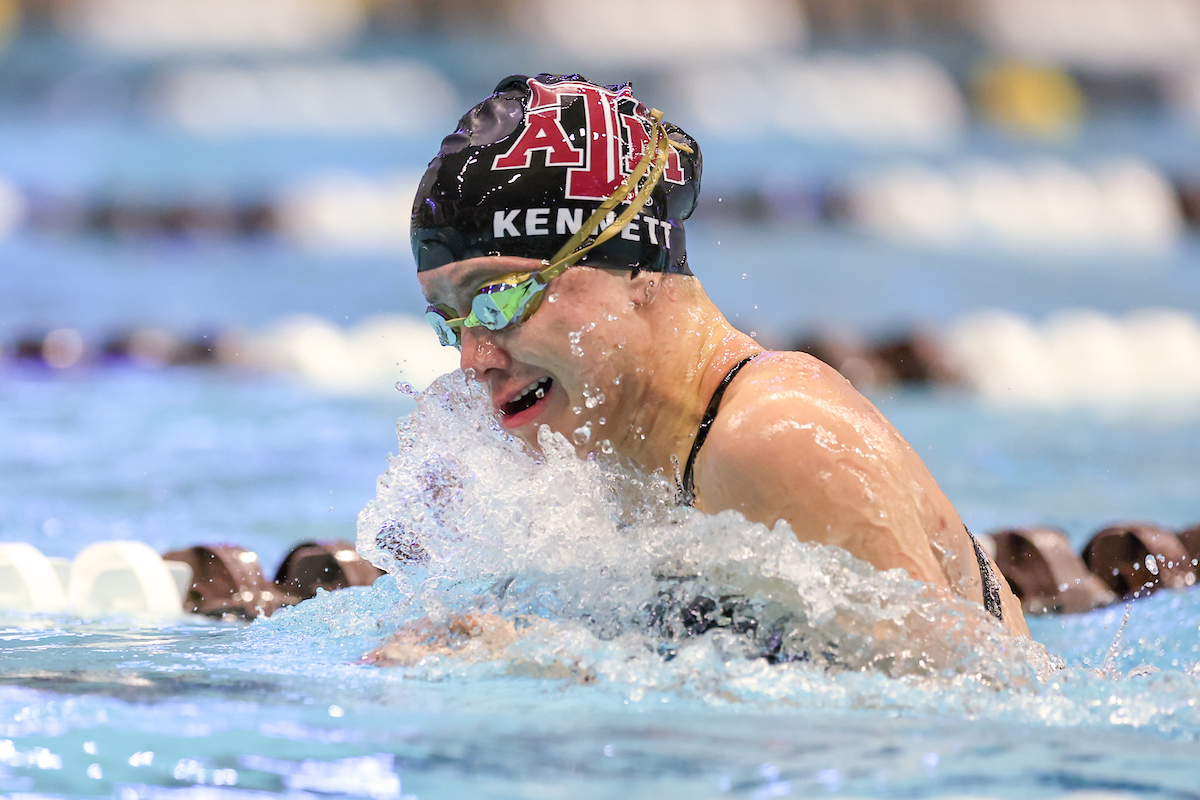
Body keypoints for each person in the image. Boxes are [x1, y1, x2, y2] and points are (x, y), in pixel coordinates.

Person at [407, 73, 1029, 641]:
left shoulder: (780, 439)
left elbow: (934, 722)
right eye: (450, 320)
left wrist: (544, 666)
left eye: (499, 298)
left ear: (634, 268)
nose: (473, 358)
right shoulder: (602, 447)